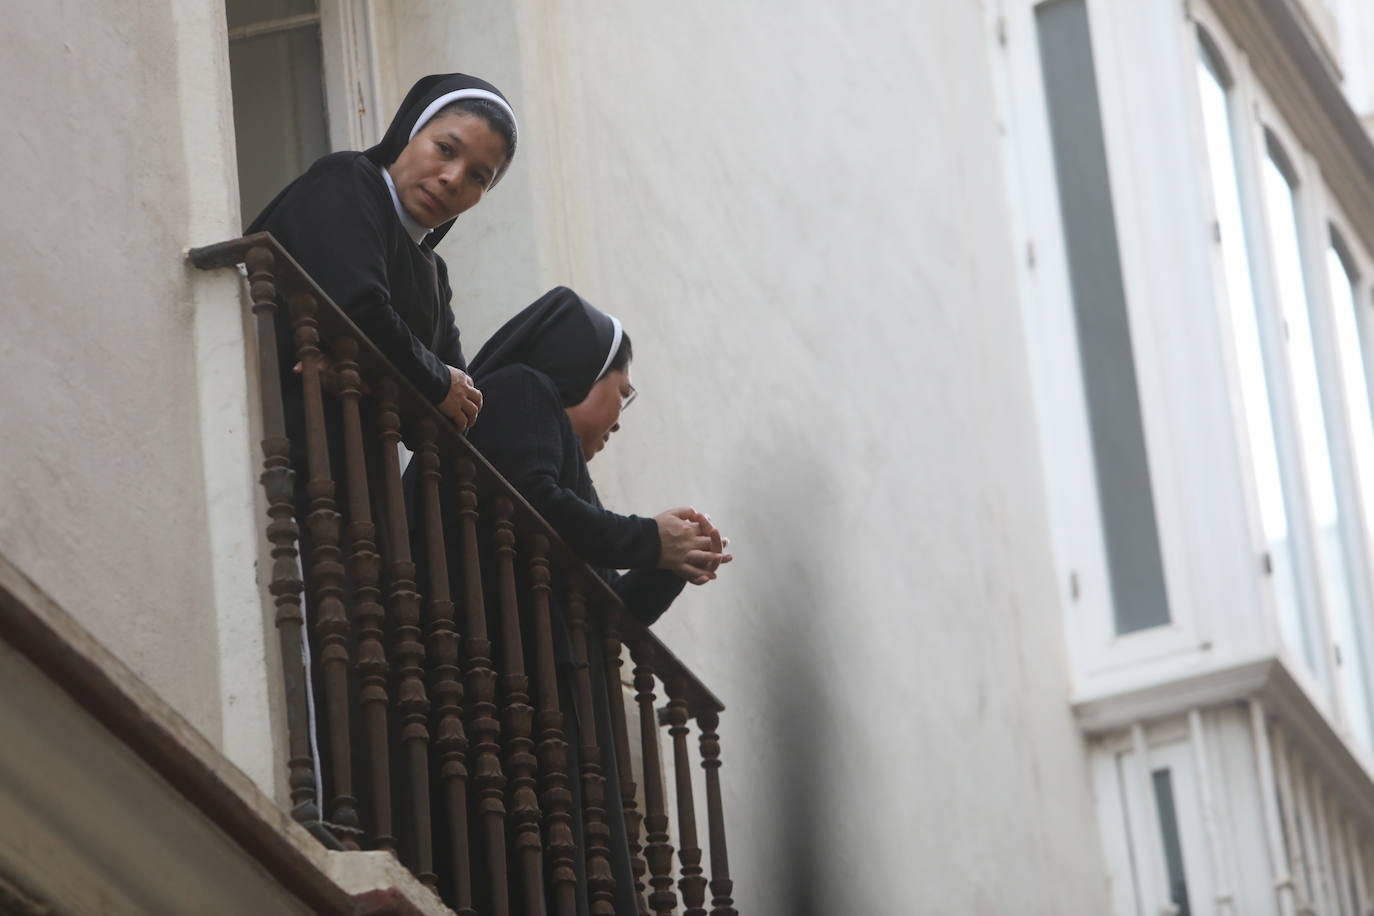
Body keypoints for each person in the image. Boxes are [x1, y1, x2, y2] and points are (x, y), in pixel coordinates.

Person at [464, 287, 731, 914]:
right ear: (582, 366)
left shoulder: (566, 468)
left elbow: (604, 608)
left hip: (545, 699)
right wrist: (646, 538)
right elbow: (530, 501)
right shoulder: (524, 388)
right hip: (508, 677)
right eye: (624, 391)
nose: (620, 414)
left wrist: (669, 562)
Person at [247, 72, 520, 432]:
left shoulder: (433, 273)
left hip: (352, 473)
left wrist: (373, 380)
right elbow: (358, 306)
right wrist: (429, 379)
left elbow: (458, 408)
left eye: (478, 177)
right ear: (411, 132)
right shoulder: (346, 180)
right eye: (445, 149)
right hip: (260, 433)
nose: (453, 178)